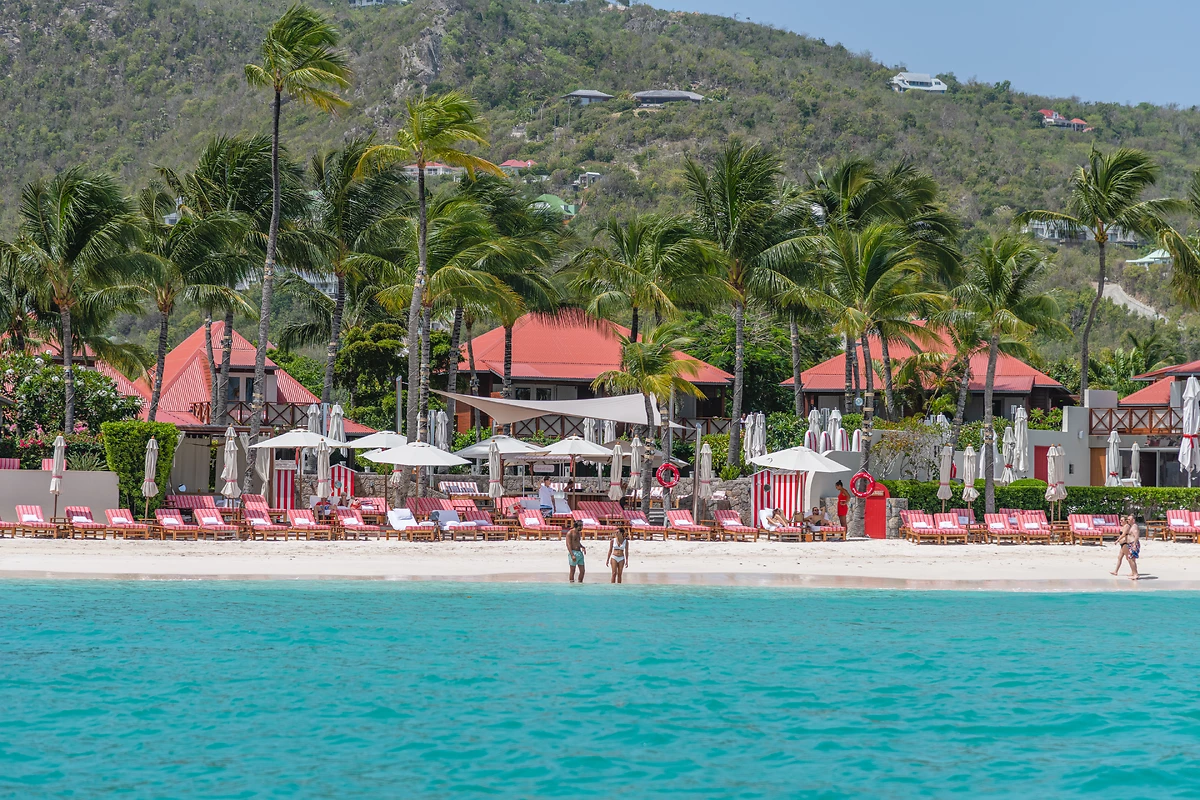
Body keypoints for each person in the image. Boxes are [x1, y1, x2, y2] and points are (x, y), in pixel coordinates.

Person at [1113, 514, 1140, 581]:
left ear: (1133, 520)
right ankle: (1134, 573)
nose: (1128, 520)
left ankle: (1135, 574)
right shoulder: (1131, 526)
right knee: (1130, 559)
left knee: (1131, 559)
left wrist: (1134, 544)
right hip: (1130, 544)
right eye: (1127, 519)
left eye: (1129, 519)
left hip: (1133, 544)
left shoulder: (1134, 526)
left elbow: (1136, 536)